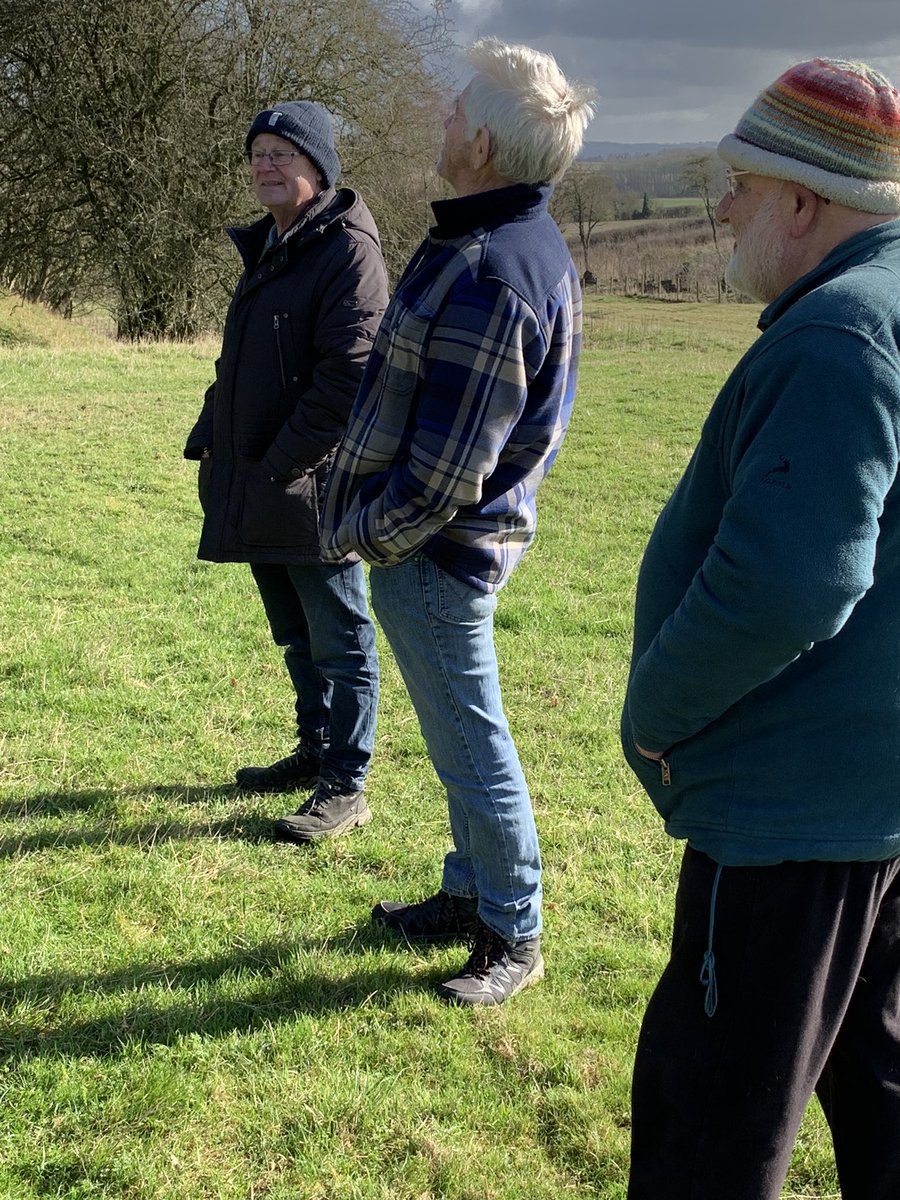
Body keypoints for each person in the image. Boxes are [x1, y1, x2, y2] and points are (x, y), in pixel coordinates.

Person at [621, 58, 900, 1199]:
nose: (725, 208)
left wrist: (655, 714)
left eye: (742, 183)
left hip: (792, 816)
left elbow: (787, 585)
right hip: (872, 801)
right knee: (885, 1092)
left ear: (803, 199)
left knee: (711, 1132)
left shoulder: (839, 333)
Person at [320, 39, 594, 1006]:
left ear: (481, 144)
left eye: (453, 111)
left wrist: (358, 532)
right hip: (432, 551)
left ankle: (513, 930)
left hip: (437, 555)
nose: (440, 119)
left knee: (474, 747)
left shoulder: (494, 271)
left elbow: (443, 479)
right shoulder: (492, 240)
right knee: (454, 739)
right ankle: (471, 890)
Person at [184, 101, 387, 842]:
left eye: (283, 153)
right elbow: (238, 365)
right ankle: (314, 750)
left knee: (341, 639)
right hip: (262, 482)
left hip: (315, 486)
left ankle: (346, 784)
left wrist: (280, 465)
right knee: (296, 634)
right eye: (258, 153)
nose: (266, 166)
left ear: (319, 168)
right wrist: (212, 439)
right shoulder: (275, 244)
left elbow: (350, 378)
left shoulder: (347, 252)